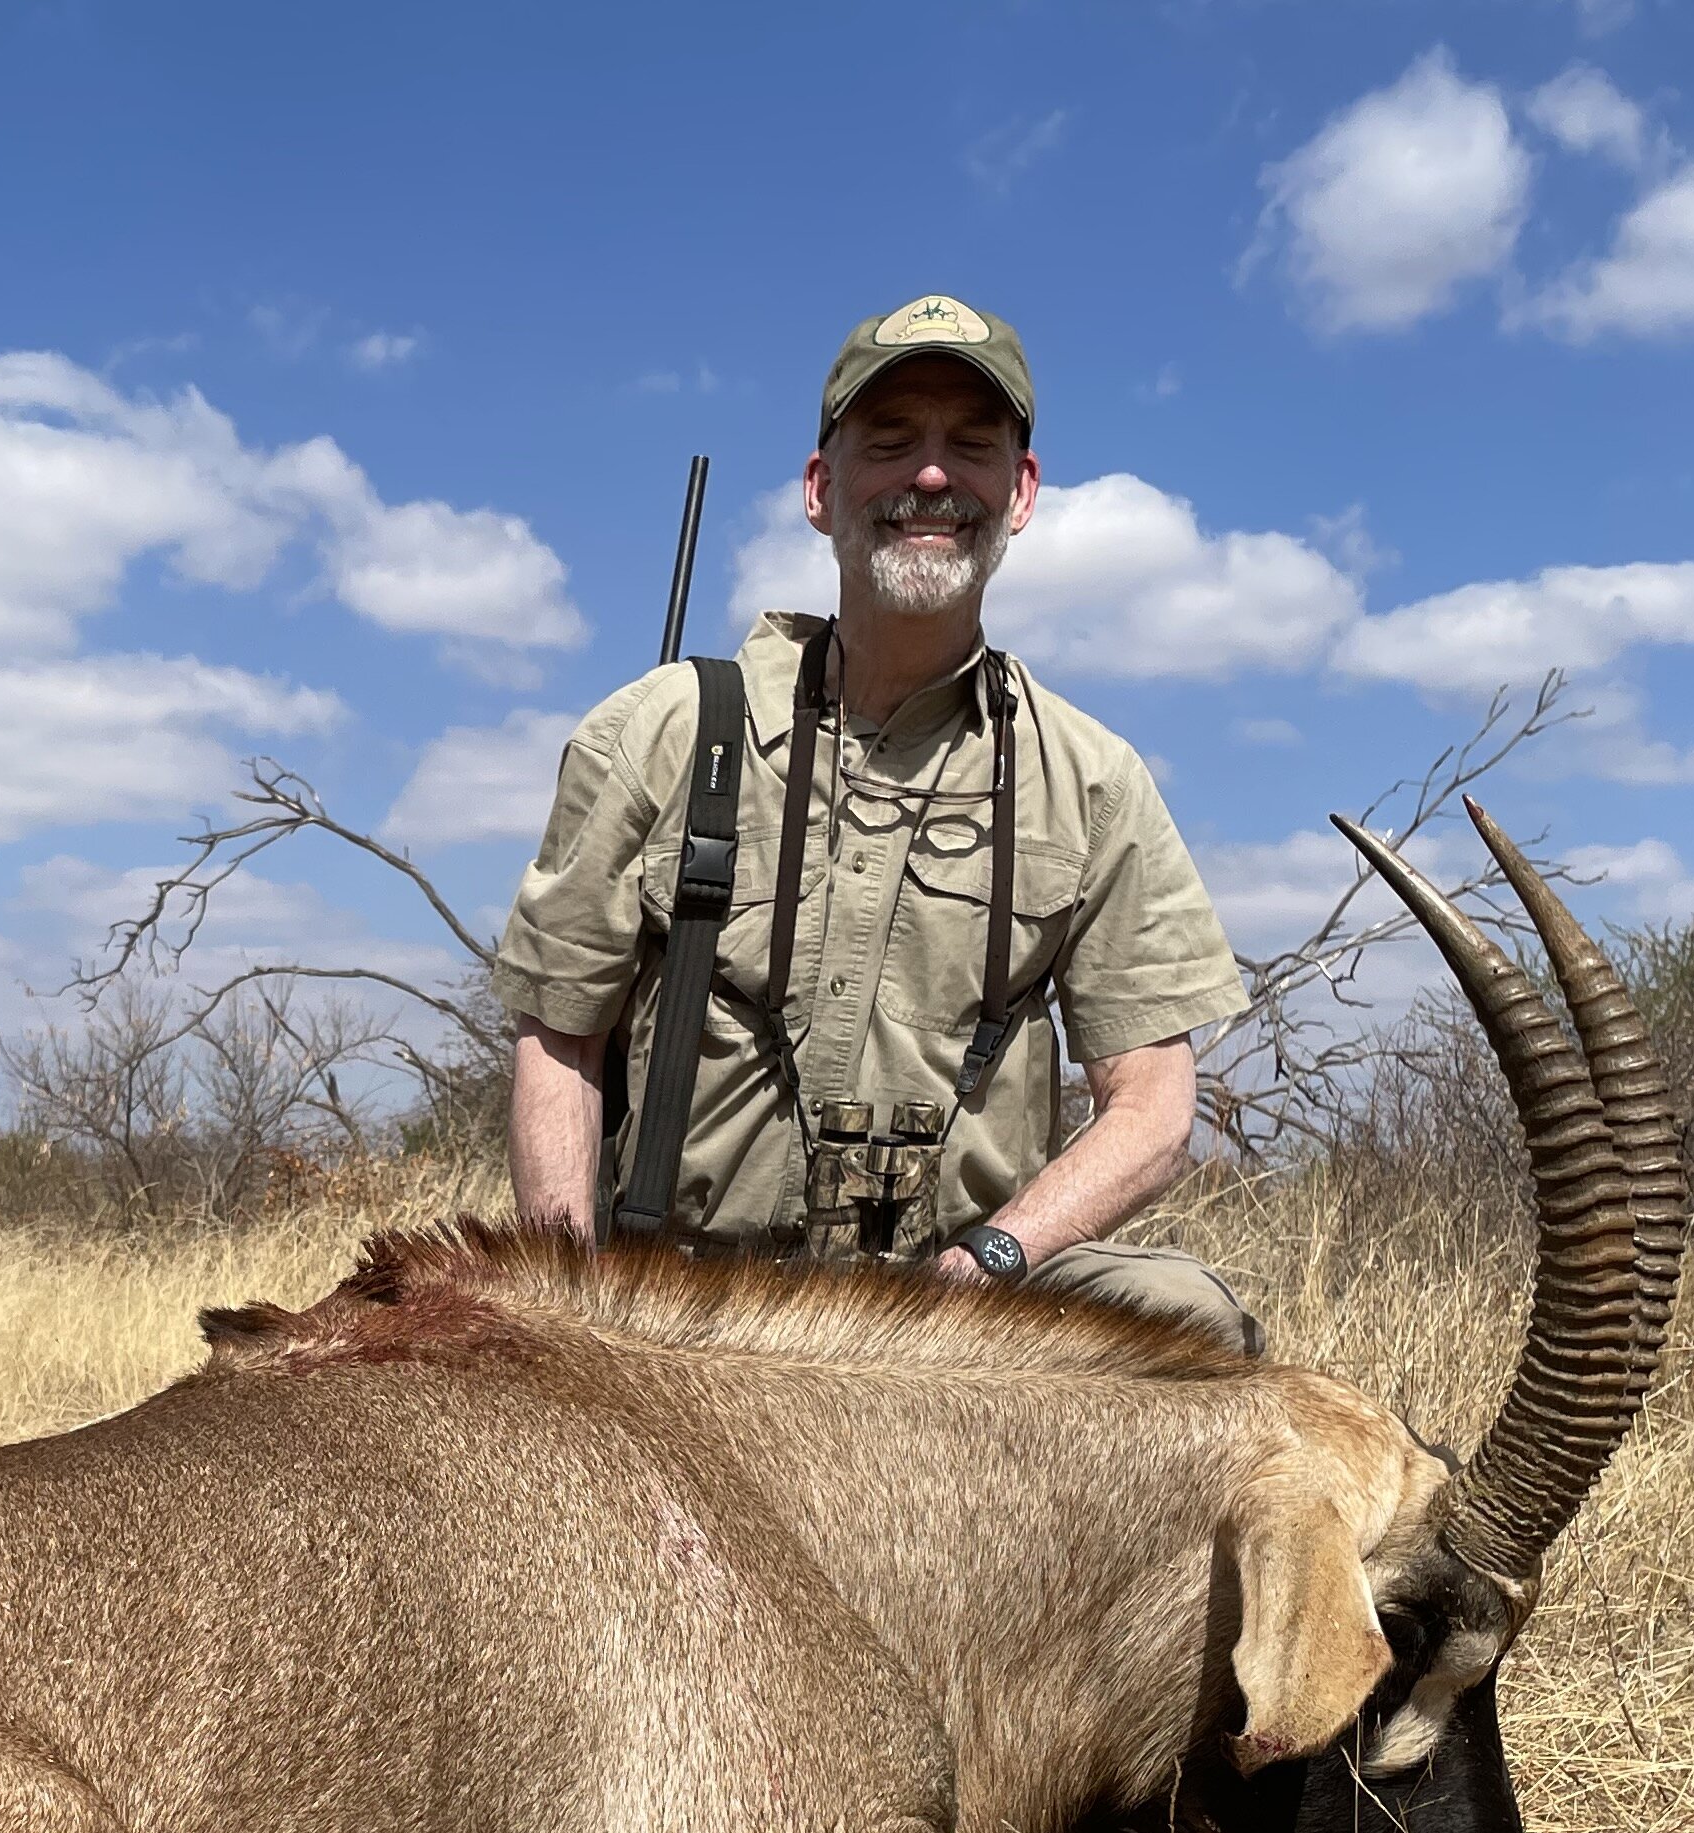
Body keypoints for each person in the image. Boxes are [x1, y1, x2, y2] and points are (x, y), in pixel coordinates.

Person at [494, 293, 1258, 1350]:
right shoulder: (663, 728)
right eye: (891, 443)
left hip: (949, 1323)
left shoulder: (1094, 781)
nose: (932, 477)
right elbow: (560, 1036)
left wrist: (992, 1261)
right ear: (821, 489)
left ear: (1022, 491)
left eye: (972, 446)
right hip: (684, 1311)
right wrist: (570, 1323)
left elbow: (1154, 1107)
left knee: (1197, 1326)